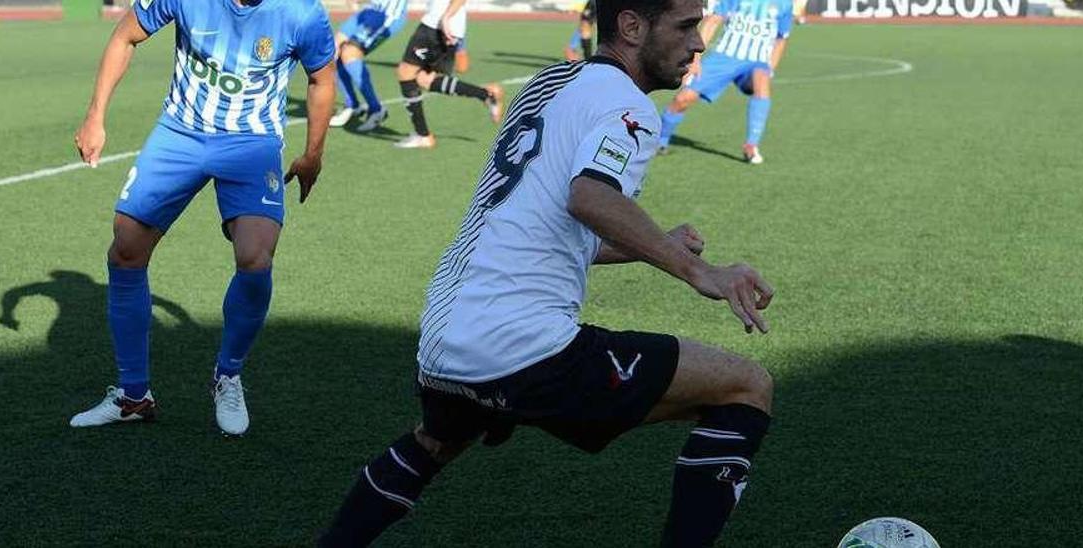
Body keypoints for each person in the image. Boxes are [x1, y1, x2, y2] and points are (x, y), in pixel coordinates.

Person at [319, 0, 776, 545]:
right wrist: (700, 270)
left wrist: (645, 245)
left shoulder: (548, 84)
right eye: (684, 26)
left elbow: (535, 224)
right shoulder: (629, 107)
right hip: (521, 344)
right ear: (631, 26)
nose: (699, 42)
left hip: (445, 332)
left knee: (435, 442)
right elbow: (590, 196)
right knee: (747, 386)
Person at [69, 0, 337, 436]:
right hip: (180, 134)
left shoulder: (303, 12)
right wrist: (95, 115)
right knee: (126, 251)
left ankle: (227, 375)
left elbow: (321, 79)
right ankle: (133, 396)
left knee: (255, 259)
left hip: (252, 142)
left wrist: (313, 155)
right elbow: (125, 35)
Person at [656, 0, 793, 164]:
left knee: (762, 79)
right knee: (683, 99)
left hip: (757, 61)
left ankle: (751, 145)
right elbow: (713, 21)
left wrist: (771, 68)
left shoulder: (785, 3)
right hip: (724, 58)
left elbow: (781, 38)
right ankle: (660, 141)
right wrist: (696, 58)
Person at [392, 0, 503, 149]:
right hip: (445, 27)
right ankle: (486, 95)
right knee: (424, 79)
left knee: (405, 72)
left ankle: (423, 135)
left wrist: (446, 17)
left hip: (437, 25)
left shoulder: (442, 19)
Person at [330, 0, 410, 132]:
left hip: (387, 15)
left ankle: (376, 110)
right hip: (369, 10)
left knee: (350, 53)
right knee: (332, 52)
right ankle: (353, 105)